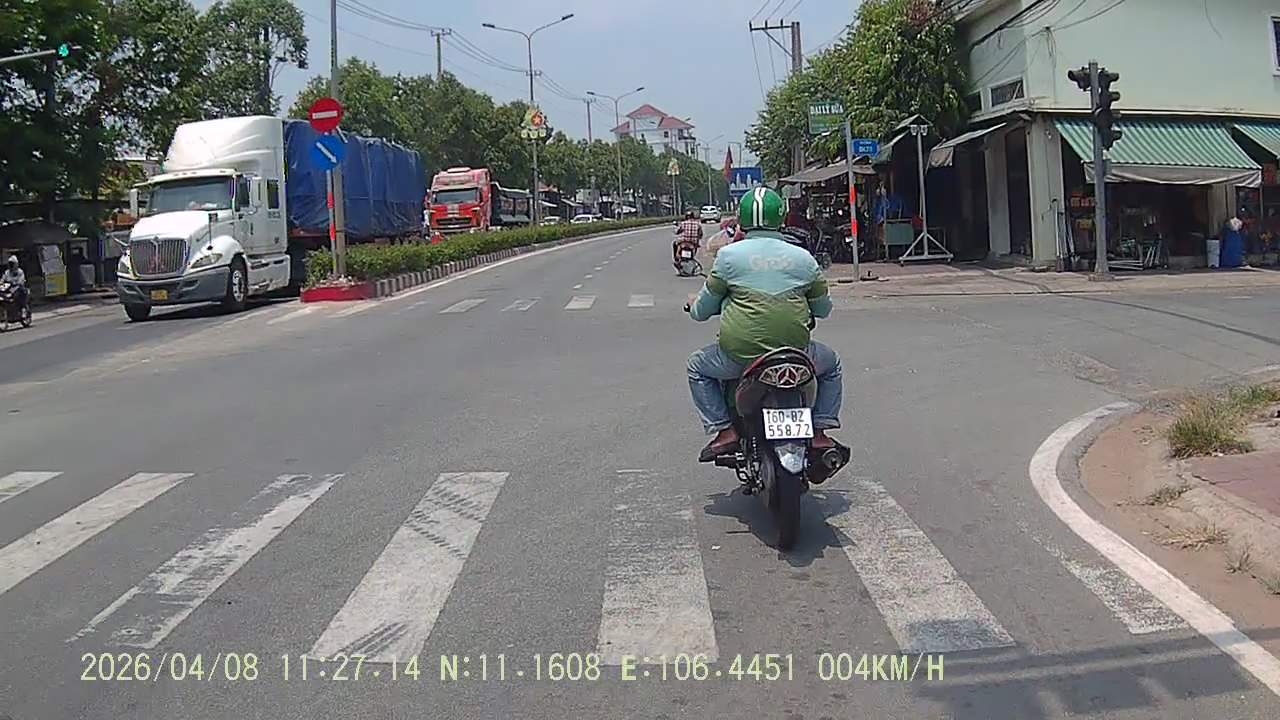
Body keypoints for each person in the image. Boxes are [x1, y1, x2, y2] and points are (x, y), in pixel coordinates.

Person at [685, 187, 843, 462]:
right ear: (781, 217)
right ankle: (819, 431)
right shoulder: (803, 258)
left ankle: (724, 430)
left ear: (742, 219)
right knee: (832, 365)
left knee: (697, 367)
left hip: (739, 357)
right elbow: (823, 309)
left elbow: (701, 312)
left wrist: (695, 304)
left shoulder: (728, 257)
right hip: (797, 353)